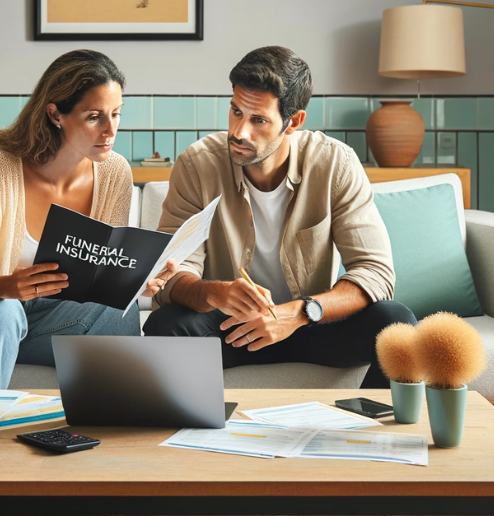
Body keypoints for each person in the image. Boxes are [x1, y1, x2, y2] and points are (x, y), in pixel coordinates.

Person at [0, 49, 177, 389]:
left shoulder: (114, 172)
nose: (109, 130)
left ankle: (113, 431)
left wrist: (131, 283)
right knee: (2, 312)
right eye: (93, 117)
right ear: (55, 114)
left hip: (43, 321)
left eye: (115, 114)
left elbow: (101, 271)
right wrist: (8, 286)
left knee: (121, 312)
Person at [144, 46, 416, 388]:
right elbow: (170, 275)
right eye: (235, 111)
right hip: (231, 328)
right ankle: (193, 431)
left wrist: (299, 313)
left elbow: (375, 274)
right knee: (164, 326)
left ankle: (363, 429)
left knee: (396, 322)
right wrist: (217, 293)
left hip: (309, 325)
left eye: (258, 120)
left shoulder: (335, 164)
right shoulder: (198, 164)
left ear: (294, 122)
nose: (239, 132)